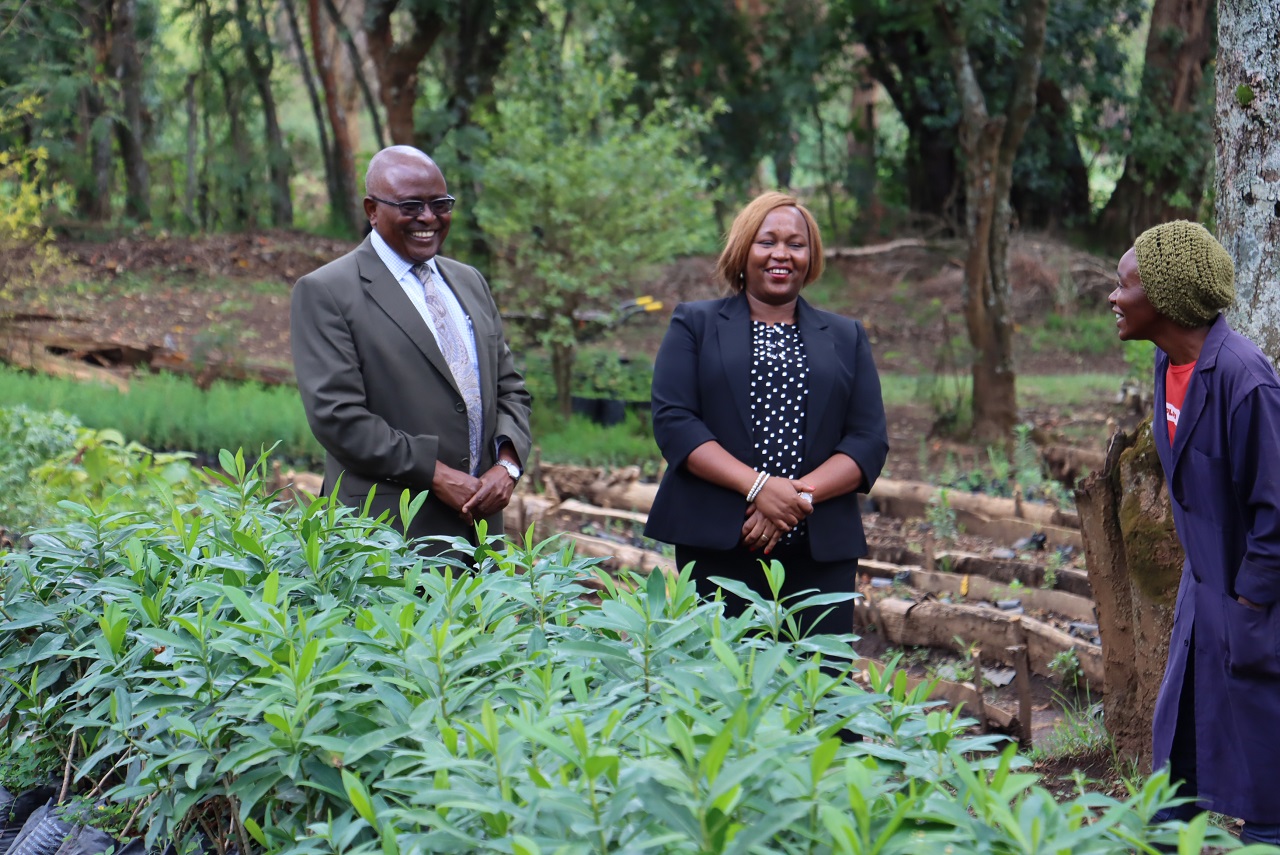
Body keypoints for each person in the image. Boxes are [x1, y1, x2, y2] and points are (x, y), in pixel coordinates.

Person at [644, 192, 889, 635]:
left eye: (796, 244)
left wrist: (795, 499)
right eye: (767, 241)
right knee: (723, 685)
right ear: (743, 251)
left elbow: (868, 439)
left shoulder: (845, 335)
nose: (782, 254)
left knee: (819, 689)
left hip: (820, 552)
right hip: (720, 541)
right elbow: (675, 421)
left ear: (810, 256)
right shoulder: (694, 325)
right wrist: (757, 487)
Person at [1109, 220, 1280, 844]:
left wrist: (1250, 601)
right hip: (1201, 595)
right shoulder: (1168, 363)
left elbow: (1276, 508)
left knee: (1266, 776)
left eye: (1123, 283)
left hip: (1250, 601)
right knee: (1177, 761)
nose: (1112, 296)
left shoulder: (1245, 380)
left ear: (1164, 296)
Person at [290, 145, 531, 553]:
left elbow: (510, 388)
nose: (429, 218)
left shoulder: (469, 281)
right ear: (371, 209)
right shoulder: (328, 291)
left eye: (440, 204)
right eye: (411, 205)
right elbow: (338, 418)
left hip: (481, 536)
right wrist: (435, 475)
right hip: (386, 535)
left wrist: (507, 465)